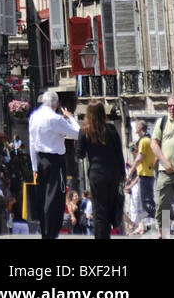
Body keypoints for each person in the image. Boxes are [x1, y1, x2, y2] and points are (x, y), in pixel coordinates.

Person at [28, 89, 80, 240]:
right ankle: (51, 233)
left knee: (44, 197)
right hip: (55, 161)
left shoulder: (34, 116)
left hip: (40, 160)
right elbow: (77, 133)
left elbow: (31, 143)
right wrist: (70, 118)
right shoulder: (55, 119)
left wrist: (34, 167)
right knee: (55, 199)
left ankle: (45, 232)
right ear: (56, 104)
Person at [75, 101, 124, 241]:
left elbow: (79, 154)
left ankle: (101, 237)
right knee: (110, 205)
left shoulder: (84, 131)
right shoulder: (111, 129)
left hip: (96, 174)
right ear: (103, 113)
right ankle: (107, 235)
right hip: (113, 173)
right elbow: (118, 152)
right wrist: (123, 173)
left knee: (99, 208)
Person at [151, 95, 174, 238]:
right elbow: (154, 144)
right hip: (165, 172)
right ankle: (165, 234)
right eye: (169, 106)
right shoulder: (162, 122)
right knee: (163, 206)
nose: (172, 108)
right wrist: (165, 162)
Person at [126, 120, 156, 222]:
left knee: (147, 204)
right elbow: (142, 156)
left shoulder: (143, 141)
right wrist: (135, 150)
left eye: (136, 127)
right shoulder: (149, 140)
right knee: (145, 204)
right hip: (148, 174)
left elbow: (139, 159)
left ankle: (166, 220)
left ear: (139, 128)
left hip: (144, 175)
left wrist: (130, 173)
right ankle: (144, 226)